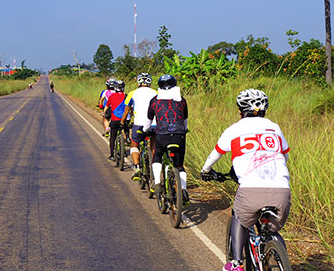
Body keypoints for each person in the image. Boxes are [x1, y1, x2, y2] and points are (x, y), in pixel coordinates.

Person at [200, 89, 291, 271]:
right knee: (272, 230)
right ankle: (275, 252)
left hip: (251, 189)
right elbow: (285, 156)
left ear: (241, 110)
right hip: (282, 190)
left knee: (239, 217)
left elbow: (215, 155)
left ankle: (236, 264)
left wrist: (205, 170)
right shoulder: (274, 127)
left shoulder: (234, 129)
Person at [144, 74, 189, 205]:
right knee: (180, 166)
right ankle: (184, 190)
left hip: (162, 136)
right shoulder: (182, 100)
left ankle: (157, 181)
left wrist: (146, 130)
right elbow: (185, 120)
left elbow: (148, 120)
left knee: (157, 156)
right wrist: (184, 129)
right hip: (179, 135)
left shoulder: (155, 101)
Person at [120, 73, 157, 181]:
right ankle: (154, 165)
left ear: (138, 82)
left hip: (139, 124)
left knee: (134, 144)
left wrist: (122, 122)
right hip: (154, 124)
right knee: (154, 144)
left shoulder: (132, 93)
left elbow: (126, 110)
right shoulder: (156, 93)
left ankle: (137, 167)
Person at [103, 80, 126, 162]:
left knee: (113, 137)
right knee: (125, 131)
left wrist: (104, 113)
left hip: (115, 120)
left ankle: (112, 155)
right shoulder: (126, 96)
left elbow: (106, 106)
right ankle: (125, 145)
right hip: (124, 120)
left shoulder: (112, 97)